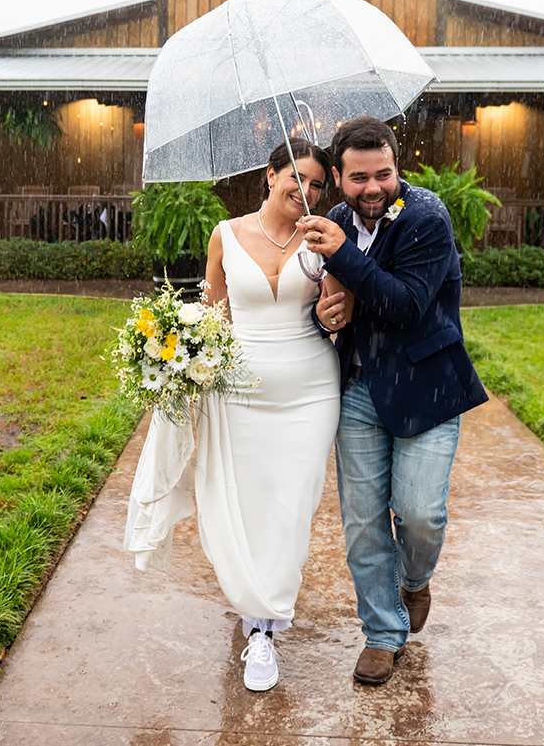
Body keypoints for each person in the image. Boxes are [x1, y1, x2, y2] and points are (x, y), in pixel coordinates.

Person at [297, 115, 489, 686]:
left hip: (426, 387)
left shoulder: (426, 216)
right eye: (359, 178)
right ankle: (382, 633)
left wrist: (345, 258)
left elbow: (406, 305)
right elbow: (327, 305)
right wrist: (325, 314)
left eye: (383, 174)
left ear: (396, 167)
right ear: (338, 177)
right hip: (359, 389)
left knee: (420, 513)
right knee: (362, 522)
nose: (374, 187)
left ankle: (415, 581)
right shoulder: (333, 222)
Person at [189, 138, 344, 692]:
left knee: (292, 504)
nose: (307, 191)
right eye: (298, 178)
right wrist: (183, 361)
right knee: (252, 504)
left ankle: (266, 617)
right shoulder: (225, 235)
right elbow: (213, 317)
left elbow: (336, 313)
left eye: (318, 185)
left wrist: (333, 307)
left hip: (311, 392)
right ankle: (260, 624)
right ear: (271, 175)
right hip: (240, 393)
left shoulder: (324, 237)